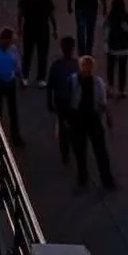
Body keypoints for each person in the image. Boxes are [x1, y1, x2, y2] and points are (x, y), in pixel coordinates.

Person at [68, 55, 115, 190]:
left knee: (100, 151)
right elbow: (69, 100)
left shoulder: (97, 82)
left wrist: (108, 115)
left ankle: (107, 179)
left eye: (89, 67)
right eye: (85, 66)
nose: (87, 69)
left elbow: (102, 101)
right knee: (80, 150)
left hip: (93, 118)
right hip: (78, 118)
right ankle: (82, 177)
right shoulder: (73, 80)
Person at [18, 0, 57, 87]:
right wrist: (19, 27)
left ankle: (41, 77)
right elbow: (20, 13)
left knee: (42, 54)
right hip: (29, 27)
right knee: (27, 53)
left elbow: (51, 14)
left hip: (43, 28)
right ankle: (25, 76)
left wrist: (55, 29)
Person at [46, 36, 79, 164]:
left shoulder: (57, 65)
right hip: (69, 102)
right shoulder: (76, 65)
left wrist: (49, 101)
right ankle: (68, 150)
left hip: (63, 101)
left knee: (65, 128)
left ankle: (65, 152)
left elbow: (50, 86)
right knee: (70, 128)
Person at [104, 0, 128, 98]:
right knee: (122, 69)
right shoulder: (126, 16)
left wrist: (106, 43)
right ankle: (122, 89)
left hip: (112, 46)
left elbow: (106, 30)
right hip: (124, 47)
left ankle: (111, 87)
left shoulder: (110, 17)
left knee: (111, 68)